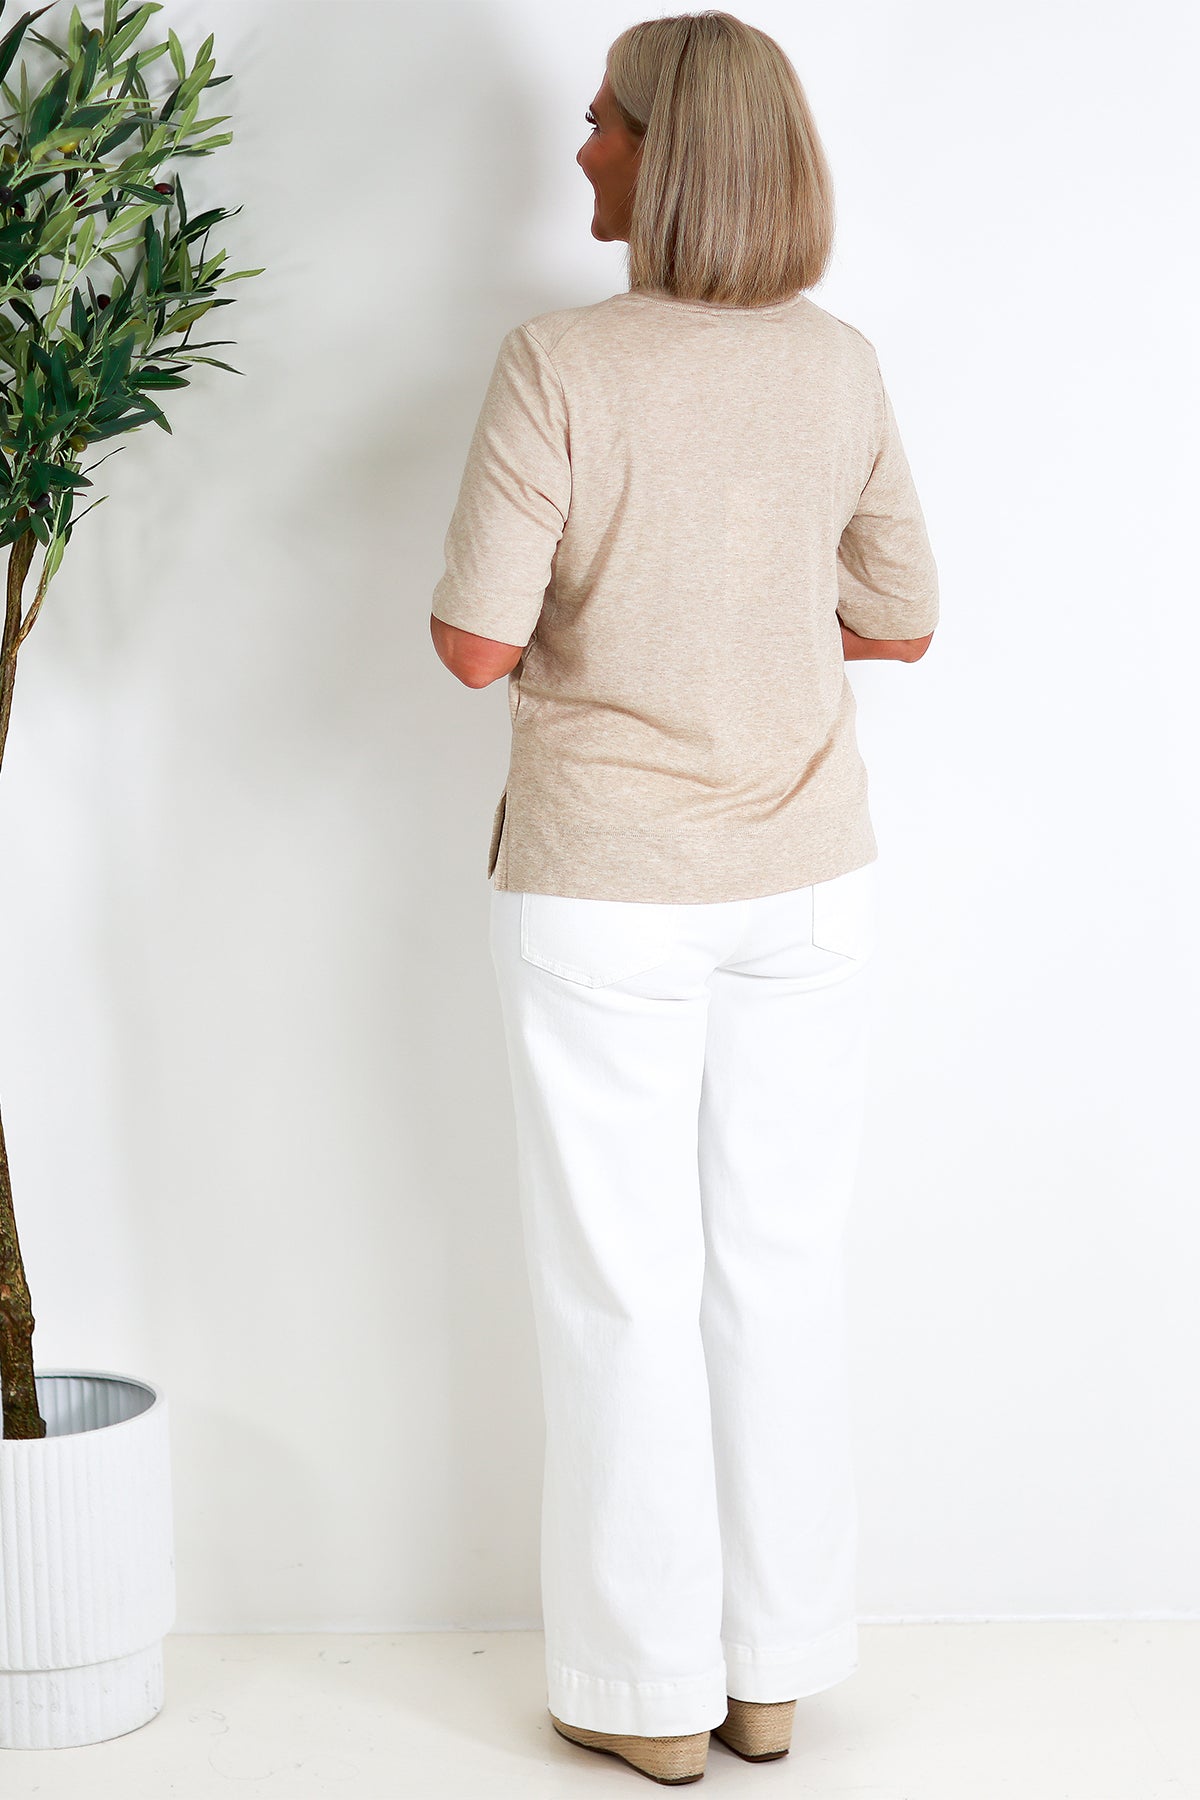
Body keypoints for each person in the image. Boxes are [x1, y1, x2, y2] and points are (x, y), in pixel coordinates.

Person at [429, 10, 938, 1786]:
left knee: (621, 1289)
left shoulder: (558, 363)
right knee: (779, 1273)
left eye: (604, 124)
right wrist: (749, 619)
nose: (581, 149)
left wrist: (624, 613)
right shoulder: (840, 366)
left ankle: (645, 1694)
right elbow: (902, 621)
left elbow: (473, 646)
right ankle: (774, 1678)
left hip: (608, 894)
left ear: (668, 154)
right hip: (808, 886)